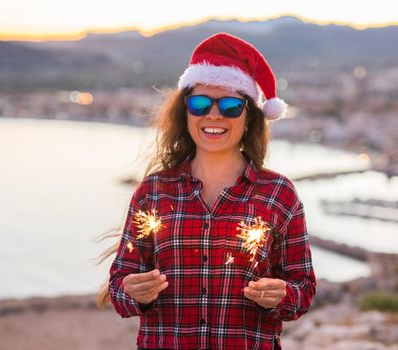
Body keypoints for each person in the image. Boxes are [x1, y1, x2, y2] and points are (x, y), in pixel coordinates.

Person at [99, 32, 316, 350]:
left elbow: (303, 290)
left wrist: (282, 295)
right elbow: (119, 288)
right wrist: (134, 292)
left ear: (249, 117)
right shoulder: (153, 192)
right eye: (200, 103)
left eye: (230, 106)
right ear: (185, 112)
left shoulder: (278, 194)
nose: (213, 115)